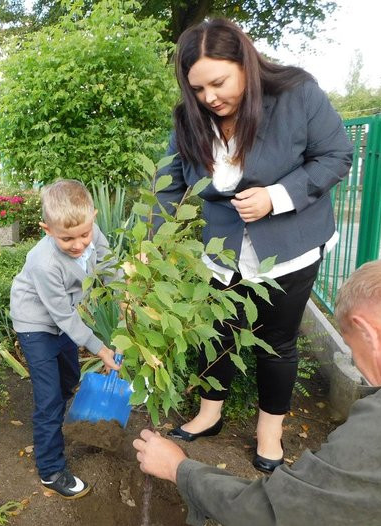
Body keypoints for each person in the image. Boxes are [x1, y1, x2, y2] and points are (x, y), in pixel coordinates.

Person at [134, 258, 381, 526]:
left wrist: (178, 469)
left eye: (355, 355)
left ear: (368, 333)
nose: (364, 373)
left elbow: (273, 511)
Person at [155, 19, 353, 472]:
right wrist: (154, 245)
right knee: (215, 332)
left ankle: (270, 433)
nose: (210, 98)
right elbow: (168, 187)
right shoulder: (190, 119)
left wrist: (275, 197)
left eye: (219, 82)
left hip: (290, 245)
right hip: (222, 251)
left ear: (243, 62)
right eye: (198, 89)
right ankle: (210, 413)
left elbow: (335, 155)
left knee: (276, 342)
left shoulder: (296, 94)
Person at [10, 179, 120, 499]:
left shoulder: (91, 233)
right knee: (48, 400)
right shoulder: (43, 261)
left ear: (93, 218)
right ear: (47, 229)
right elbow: (64, 317)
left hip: (63, 323)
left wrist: (126, 296)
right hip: (36, 325)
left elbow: (110, 264)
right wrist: (100, 349)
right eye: (66, 238)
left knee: (70, 379)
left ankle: (59, 421)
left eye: (84, 234)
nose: (79, 244)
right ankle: (50, 469)